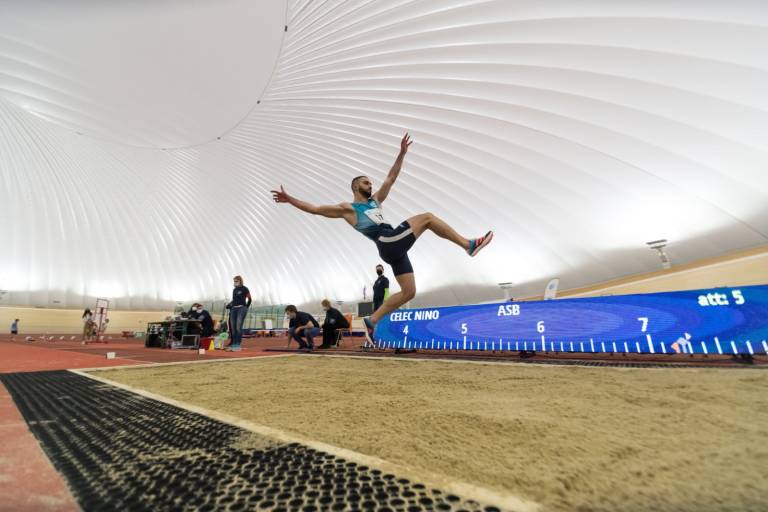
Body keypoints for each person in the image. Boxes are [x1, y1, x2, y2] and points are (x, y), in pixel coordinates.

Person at [272, 133, 493, 346]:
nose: (371, 185)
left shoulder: (375, 201)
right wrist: (290, 199)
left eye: (370, 183)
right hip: (386, 239)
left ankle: (372, 320)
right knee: (427, 218)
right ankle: (468, 245)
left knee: (409, 292)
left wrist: (401, 154)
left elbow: (391, 178)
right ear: (356, 186)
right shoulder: (348, 209)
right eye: (366, 183)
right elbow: (315, 209)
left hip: (393, 245)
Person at [225, 276, 251, 351]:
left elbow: (249, 299)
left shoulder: (245, 289)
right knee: (233, 327)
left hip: (241, 308)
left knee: (238, 326)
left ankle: (237, 343)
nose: (235, 282)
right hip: (234, 309)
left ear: (240, 281)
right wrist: (230, 304)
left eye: (236, 281)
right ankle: (233, 343)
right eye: (234, 281)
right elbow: (234, 300)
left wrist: (246, 307)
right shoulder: (234, 290)